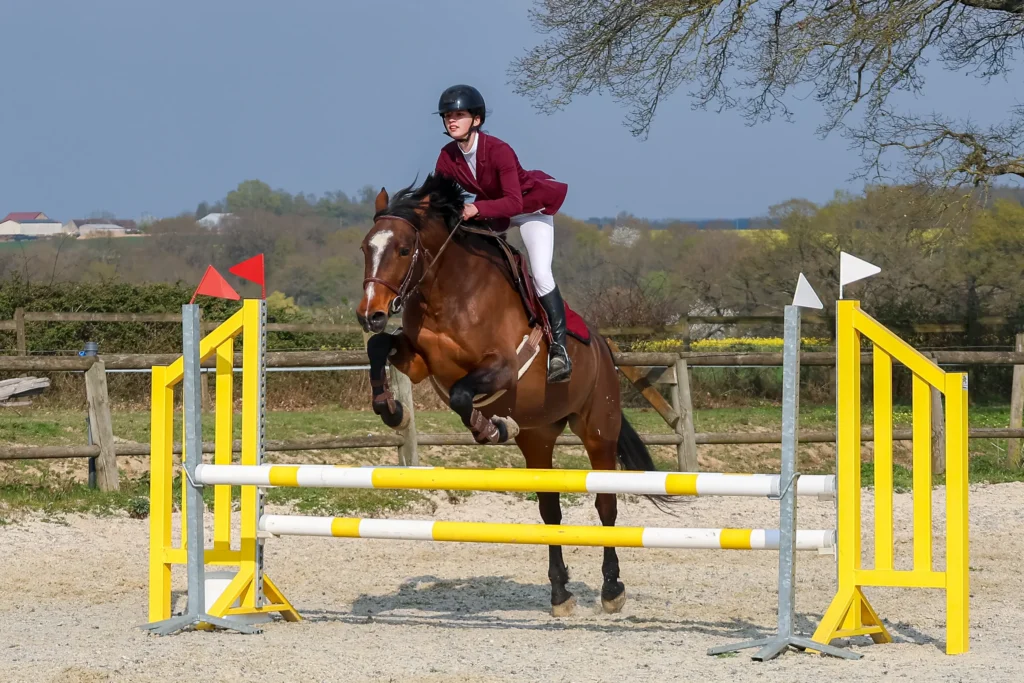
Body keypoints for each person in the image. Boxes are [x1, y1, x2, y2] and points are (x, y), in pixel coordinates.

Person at [433, 84, 573, 383]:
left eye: (459, 115)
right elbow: (439, 198)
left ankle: (559, 350)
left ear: (477, 120)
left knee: (541, 273)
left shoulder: (499, 150)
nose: (452, 120)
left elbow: (513, 203)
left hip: (529, 208)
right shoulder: (447, 156)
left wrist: (475, 208)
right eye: (447, 116)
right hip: (492, 211)